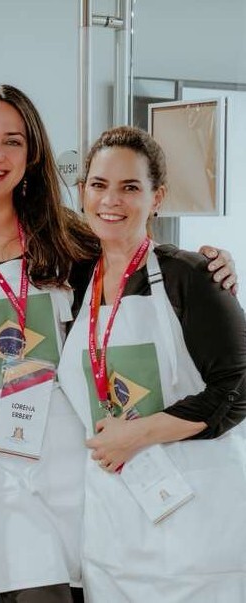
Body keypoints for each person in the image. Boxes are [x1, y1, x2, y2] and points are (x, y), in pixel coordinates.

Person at [0, 85, 238, 603]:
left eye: (12, 141)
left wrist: (213, 267)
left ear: (32, 154)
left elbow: (130, 263)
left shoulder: (66, 237)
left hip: (78, 456)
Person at [57, 126, 246, 601]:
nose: (111, 201)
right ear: (82, 193)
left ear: (157, 196)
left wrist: (137, 433)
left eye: (130, 187)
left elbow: (238, 387)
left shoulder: (192, 276)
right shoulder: (76, 282)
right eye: (99, 185)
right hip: (114, 526)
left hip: (197, 527)